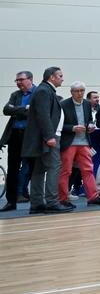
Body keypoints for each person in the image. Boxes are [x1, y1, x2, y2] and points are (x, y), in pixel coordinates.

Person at [23, 67, 71, 214]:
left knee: (39, 169)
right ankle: (52, 202)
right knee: (53, 167)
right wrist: (50, 136)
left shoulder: (44, 90)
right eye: (60, 76)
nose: (63, 78)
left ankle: (37, 203)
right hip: (48, 137)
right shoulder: (44, 91)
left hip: (44, 137)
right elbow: (43, 115)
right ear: (52, 77)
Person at [58, 82, 100, 208]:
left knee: (88, 170)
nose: (80, 93)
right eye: (77, 91)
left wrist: (90, 125)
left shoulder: (86, 103)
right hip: (69, 142)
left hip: (84, 141)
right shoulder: (63, 105)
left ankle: (93, 197)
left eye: (82, 91)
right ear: (71, 92)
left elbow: (89, 119)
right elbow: (58, 124)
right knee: (66, 171)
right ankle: (62, 199)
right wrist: (72, 128)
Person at [1, 70, 35, 211]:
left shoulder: (38, 93)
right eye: (17, 80)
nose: (18, 83)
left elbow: (34, 111)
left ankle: (36, 200)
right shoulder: (15, 94)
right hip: (15, 135)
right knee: (12, 169)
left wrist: (16, 109)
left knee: (34, 168)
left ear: (30, 79)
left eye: (21, 79)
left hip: (31, 135)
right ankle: (11, 202)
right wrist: (24, 108)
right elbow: (6, 110)